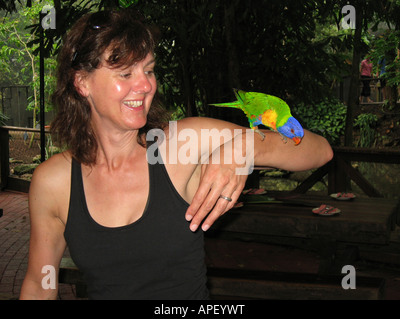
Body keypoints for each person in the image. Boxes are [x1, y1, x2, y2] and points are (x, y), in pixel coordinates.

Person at [20, 9, 333, 300]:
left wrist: (245, 146)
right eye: (126, 74)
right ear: (82, 83)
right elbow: (39, 281)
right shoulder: (54, 181)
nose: (145, 85)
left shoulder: (181, 144)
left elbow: (319, 151)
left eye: (149, 70)